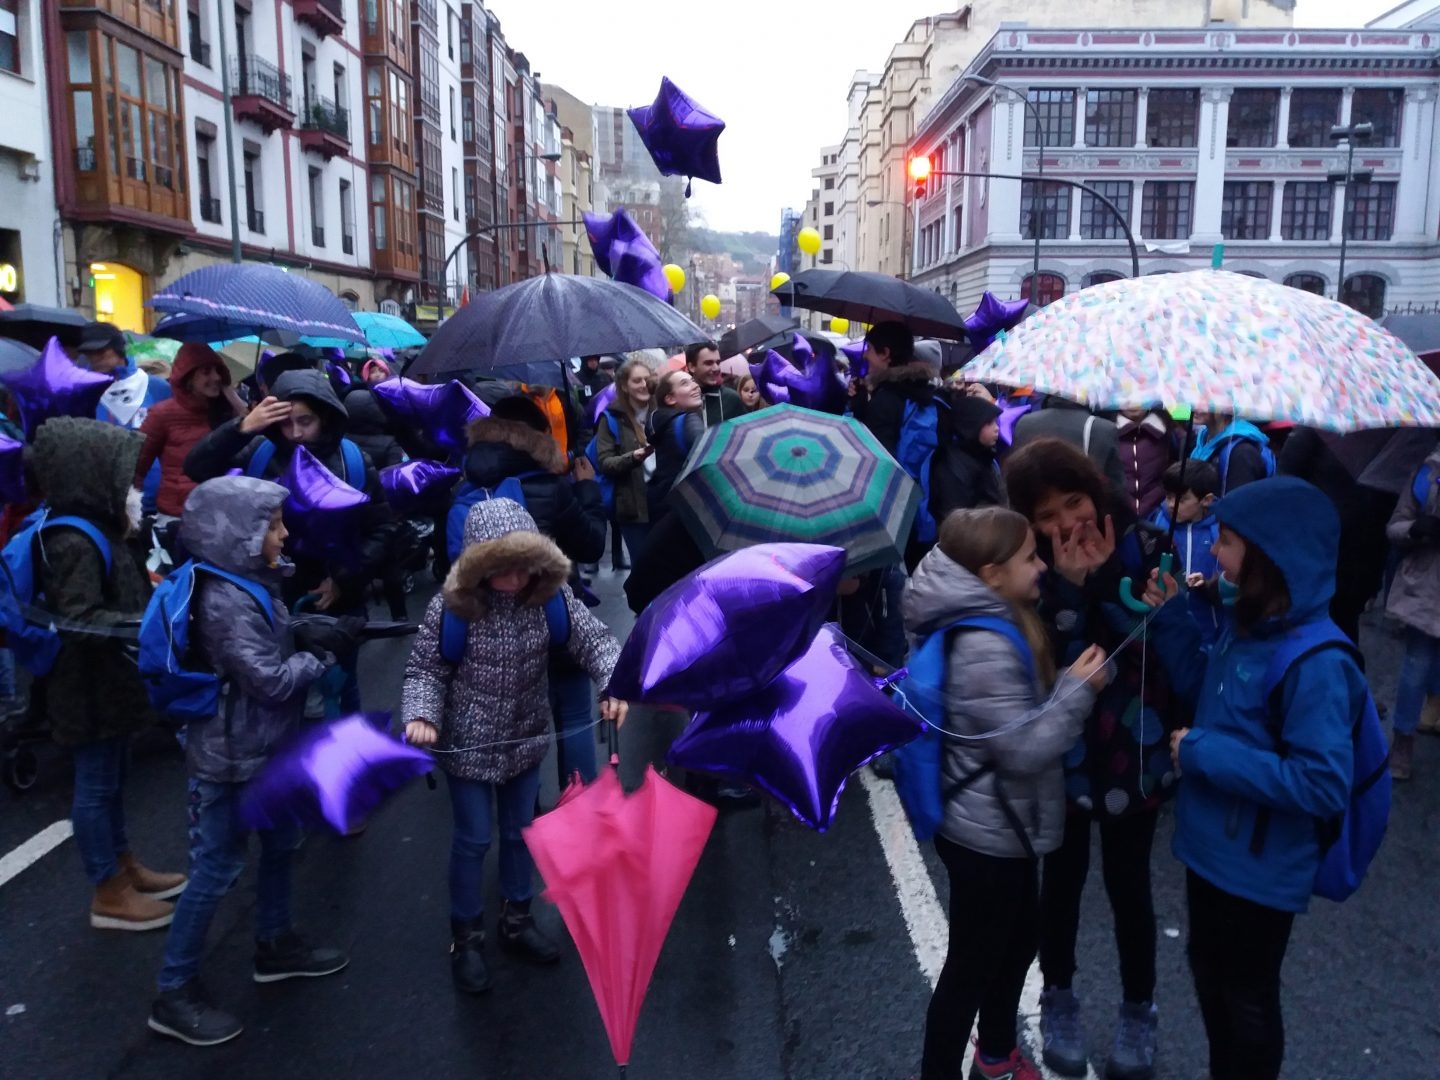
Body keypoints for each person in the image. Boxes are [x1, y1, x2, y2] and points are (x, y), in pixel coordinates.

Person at [1140, 477, 1362, 1080]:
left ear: (1270, 556)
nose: (1212, 550)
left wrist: (1204, 752)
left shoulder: (1317, 662)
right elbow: (1202, 692)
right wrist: (1170, 619)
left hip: (1260, 867)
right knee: (1210, 975)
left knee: (1247, 997)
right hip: (1213, 849)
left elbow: (1321, 783)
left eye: (1228, 541)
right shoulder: (1246, 621)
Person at [905, 508, 1109, 1080]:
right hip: (985, 833)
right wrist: (1076, 692)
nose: (1041, 565)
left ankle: (994, 1054)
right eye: (1030, 557)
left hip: (995, 824)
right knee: (971, 967)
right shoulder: (985, 645)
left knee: (1017, 941)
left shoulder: (991, 613)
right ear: (992, 573)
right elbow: (1019, 750)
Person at [148, 476, 352, 1046]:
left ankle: (274, 941)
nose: (284, 533)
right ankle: (174, 991)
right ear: (238, 533)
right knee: (215, 868)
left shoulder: (248, 581)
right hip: (232, 758)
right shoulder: (226, 600)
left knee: (282, 845)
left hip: (265, 747)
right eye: (274, 525)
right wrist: (319, 655)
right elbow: (267, 680)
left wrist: (304, 627)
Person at [1004, 437, 1179, 1080]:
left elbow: (1164, 653)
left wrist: (1108, 580)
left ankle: (1140, 1008)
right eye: (1045, 515)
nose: (1064, 524)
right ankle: (1059, 997)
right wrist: (1071, 588)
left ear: (1097, 491)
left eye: (1073, 502)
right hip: (1065, 752)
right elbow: (1037, 661)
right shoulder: (1027, 568)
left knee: (1130, 887)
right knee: (1063, 884)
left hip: (1137, 748)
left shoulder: (1151, 546)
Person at [402, 498, 626, 994]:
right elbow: (426, 670)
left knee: (521, 831)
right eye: (503, 568)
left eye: (525, 565)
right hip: (468, 746)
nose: (516, 577)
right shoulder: (452, 608)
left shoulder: (549, 597)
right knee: (473, 838)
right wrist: (421, 715)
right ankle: (467, 935)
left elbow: (595, 641)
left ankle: (517, 918)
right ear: (479, 567)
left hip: (525, 739)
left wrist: (613, 683)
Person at [30, 417, 186, 930]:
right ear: (89, 473)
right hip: (87, 687)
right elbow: (78, 618)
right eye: (116, 470)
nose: (129, 480)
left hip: (108, 683)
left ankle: (125, 864)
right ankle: (108, 890)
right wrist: (143, 623)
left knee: (114, 779)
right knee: (96, 786)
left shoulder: (94, 523)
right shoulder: (72, 538)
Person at [461, 396, 609, 783]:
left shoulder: (464, 484)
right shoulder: (549, 485)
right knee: (574, 713)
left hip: (487, 624)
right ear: (535, 435)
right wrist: (587, 491)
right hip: (553, 611)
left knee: (515, 725)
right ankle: (576, 811)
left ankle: (521, 817)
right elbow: (591, 545)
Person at [1278, 425, 1396, 649]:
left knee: (1344, 625)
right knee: (1308, 627)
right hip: (1314, 550)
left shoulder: (1391, 438)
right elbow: (1284, 484)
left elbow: (1387, 506)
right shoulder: (1318, 428)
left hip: (1361, 556)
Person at [136, 342, 246, 529]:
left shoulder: (227, 412)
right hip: (177, 518)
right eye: (206, 372)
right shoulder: (162, 414)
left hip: (222, 515)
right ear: (188, 377)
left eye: (218, 371)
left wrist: (233, 398)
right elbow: (137, 464)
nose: (216, 377)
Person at [1383, 442, 1440, 780]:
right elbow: (1396, 525)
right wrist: (1417, 530)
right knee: (1416, 663)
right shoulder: (1429, 471)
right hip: (1426, 586)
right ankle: (1403, 740)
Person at [78, 321, 172, 513]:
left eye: (101, 351)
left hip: (154, 499)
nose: (95, 359)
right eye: (89, 353)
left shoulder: (156, 387)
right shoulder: (83, 392)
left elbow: (173, 440)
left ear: (117, 349)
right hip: (106, 500)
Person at [1150, 460, 1223, 644]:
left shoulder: (1221, 528)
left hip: (1211, 627)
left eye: (1181, 499)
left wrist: (1207, 585)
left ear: (1206, 500)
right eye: (1168, 496)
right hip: (1169, 625)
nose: (1171, 505)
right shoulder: (1158, 522)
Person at [596, 359, 656, 572]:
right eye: (637, 380)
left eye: (647, 379)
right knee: (644, 571)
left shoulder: (662, 411)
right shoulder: (612, 418)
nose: (643, 385)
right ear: (624, 386)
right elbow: (605, 462)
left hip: (664, 501)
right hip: (634, 507)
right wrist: (634, 457)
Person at [1011, 396, 1126, 495]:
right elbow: (1117, 490)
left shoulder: (1024, 423)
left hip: (1034, 511)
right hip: (1082, 512)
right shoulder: (1103, 429)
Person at [931, 393, 1004, 521]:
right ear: (971, 426)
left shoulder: (984, 455)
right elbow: (955, 517)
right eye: (989, 423)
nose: (996, 429)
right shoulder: (953, 468)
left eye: (996, 422)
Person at [646, 369, 706, 522]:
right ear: (670, 398)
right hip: (692, 508)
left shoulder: (663, 423)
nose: (695, 386)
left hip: (669, 509)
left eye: (693, 380)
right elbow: (708, 458)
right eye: (685, 384)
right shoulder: (689, 421)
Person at [1191, 410, 1275, 495]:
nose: (1196, 406)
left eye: (1206, 402)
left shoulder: (1242, 452)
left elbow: (1238, 502)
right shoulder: (1200, 440)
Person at [1115, 408, 1174, 520]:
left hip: (1162, 513)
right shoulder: (1106, 431)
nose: (1133, 402)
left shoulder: (1169, 430)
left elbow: (1176, 469)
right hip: (1119, 514)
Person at [685, 341, 745, 427]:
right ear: (692, 367)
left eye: (718, 362)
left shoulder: (731, 399)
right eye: (708, 363)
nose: (716, 368)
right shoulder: (680, 400)